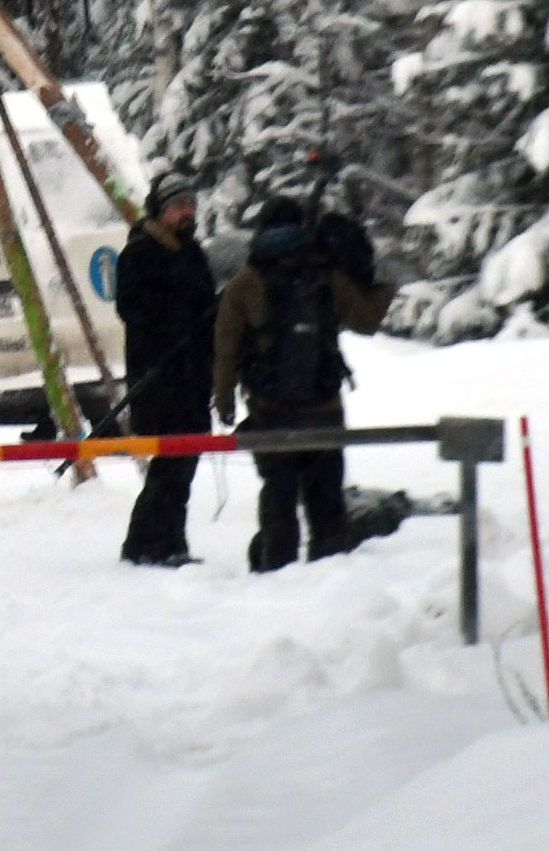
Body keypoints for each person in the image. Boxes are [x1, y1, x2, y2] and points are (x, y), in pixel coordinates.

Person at [212, 178, 379, 570]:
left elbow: (226, 350)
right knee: (326, 500)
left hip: (271, 410)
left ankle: (277, 570)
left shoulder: (244, 284)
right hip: (325, 407)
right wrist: (375, 282)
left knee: (279, 496)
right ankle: (329, 571)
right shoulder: (326, 276)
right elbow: (367, 320)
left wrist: (223, 399)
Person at [113, 171, 217, 567]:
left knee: (180, 464)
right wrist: (177, 325)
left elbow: (205, 308)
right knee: (170, 465)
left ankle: (152, 543)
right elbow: (132, 309)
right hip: (158, 378)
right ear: (160, 211)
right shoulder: (139, 253)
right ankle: (159, 545)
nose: (187, 213)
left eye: (190, 205)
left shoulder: (193, 254)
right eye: (178, 206)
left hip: (192, 378)